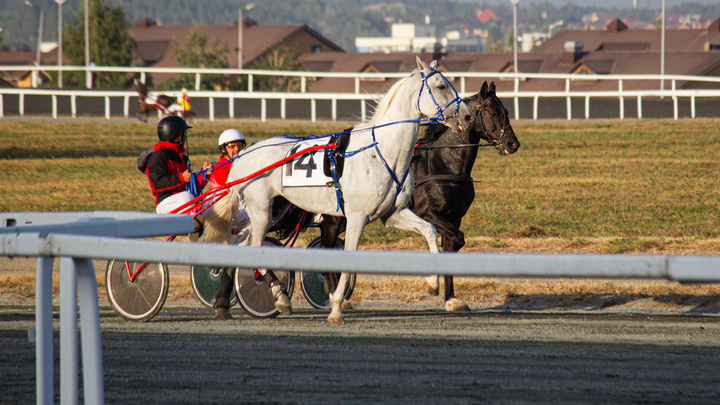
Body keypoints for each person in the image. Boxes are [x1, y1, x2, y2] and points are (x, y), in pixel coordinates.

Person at [208, 129, 250, 320]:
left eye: (239, 146)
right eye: (232, 146)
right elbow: (229, 202)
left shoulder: (242, 166)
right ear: (224, 150)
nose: (237, 150)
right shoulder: (221, 170)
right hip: (225, 216)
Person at [146, 116, 212, 236]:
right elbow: (158, 184)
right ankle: (195, 229)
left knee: (211, 200)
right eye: (184, 133)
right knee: (186, 196)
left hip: (186, 203)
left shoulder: (183, 158)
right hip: (166, 205)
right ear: (179, 136)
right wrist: (181, 177)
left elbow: (194, 188)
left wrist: (205, 174)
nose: (185, 137)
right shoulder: (159, 156)